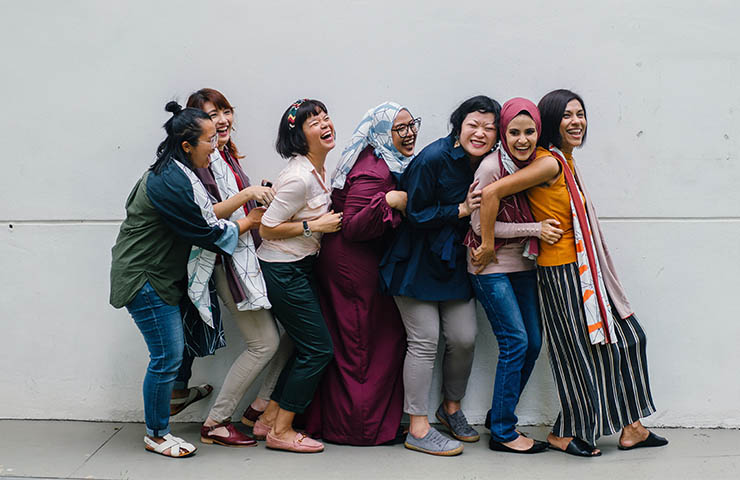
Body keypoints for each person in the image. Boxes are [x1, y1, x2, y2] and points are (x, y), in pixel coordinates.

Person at [472, 89, 668, 457]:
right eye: (566, 115)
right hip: (561, 271)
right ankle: (565, 432)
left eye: (580, 113)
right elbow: (492, 193)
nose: (576, 121)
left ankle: (632, 427)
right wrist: (485, 244)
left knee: (624, 339)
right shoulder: (549, 163)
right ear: (551, 122)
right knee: (578, 351)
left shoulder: (563, 160)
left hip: (581, 268)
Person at [110, 101, 255, 457]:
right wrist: (249, 222)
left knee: (170, 356)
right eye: (209, 140)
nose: (215, 146)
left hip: (157, 276)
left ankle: (169, 411)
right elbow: (205, 231)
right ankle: (157, 434)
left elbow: (204, 216)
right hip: (144, 279)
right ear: (187, 145)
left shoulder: (179, 171)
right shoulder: (170, 181)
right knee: (166, 357)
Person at [162, 87, 286, 447]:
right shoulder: (202, 160)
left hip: (247, 258)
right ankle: (217, 421)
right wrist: (248, 197)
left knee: (293, 333)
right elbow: (204, 216)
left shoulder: (225, 155)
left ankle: (260, 409)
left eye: (225, 111)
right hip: (226, 263)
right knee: (264, 343)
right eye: (211, 115)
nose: (221, 121)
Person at [379, 95, 500, 456]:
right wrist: (459, 209)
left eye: (489, 128)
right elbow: (414, 213)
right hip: (415, 262)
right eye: (473, 125)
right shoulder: (433, 158)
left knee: (464, 337)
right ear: (458, 126)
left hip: (453, 264)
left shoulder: (492, 164)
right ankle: (417, 428)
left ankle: (451, 408)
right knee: (425, 340)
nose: (480, 133)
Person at [303, 102, 417, 445]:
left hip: (356, 262)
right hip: (353, 266)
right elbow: (353, 226)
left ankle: (357, 423)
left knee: (363, 342)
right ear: (381, 132)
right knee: (362, 346)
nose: (409, 133)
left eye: (412, 125)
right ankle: (359, 429)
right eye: (400, 128)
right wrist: (391, 201)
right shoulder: (373, 170)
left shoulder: (382, 158)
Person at [466, 98, 562, 454]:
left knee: (533, 343)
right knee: (515, 342)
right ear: (503, 134)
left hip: (522, 264)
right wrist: (536, 228)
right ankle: (504, 432)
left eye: (529, 132)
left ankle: (499, 415)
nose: (522, 140)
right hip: (489, 265)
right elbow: (480, 227)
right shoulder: (491, 168)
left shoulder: (535, 164)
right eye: (514, 133)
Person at [252, 99, 342, 453]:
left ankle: (268, 419)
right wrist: (314, 226)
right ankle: (282, 431)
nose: (324, 124)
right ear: (299, 137)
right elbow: (267, 227)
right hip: (282, 269)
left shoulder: (317, 169)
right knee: (319, 350)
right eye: (313, 122)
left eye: (325, 117)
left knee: (308, 346)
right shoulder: (299, 178)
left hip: (300, 266)